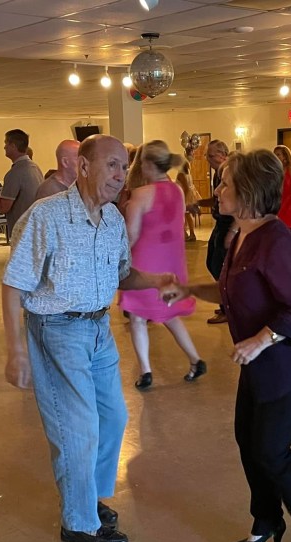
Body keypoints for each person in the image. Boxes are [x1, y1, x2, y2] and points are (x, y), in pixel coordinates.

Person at [165, 149, 291, 542]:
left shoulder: (276, 241)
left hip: (286, 364)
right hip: (259, 362)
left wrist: (260, 340)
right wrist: (189, 290)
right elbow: (232, 289)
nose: (218, 190)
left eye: (225, 184)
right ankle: (266, 520)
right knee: (248, 442)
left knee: (272, 452)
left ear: (248, 191)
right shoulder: (241, 235)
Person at [1, 135, 177, 542]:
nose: (120, 176)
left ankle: (87, 498)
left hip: (99, 329)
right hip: (57, 329)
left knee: (113, 418)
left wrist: (156, 280)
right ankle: (78, 522)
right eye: (112, 165)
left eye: (124, 167)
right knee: (77, 428)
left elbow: (122, 274)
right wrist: (15, 349)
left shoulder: (113, 219)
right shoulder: (47, 216)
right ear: (82, 167)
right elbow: (13, 284)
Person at [121, 140, 206, 390]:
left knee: (137, 316)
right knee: (169, 313)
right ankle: (195, 359)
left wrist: (117, 258)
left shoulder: (141, 194)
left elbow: (131, 234)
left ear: (147, 164)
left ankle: (146, 371)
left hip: (145, 262)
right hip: (171, 260)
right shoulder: (177, 190)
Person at [0, 129, 43, 243]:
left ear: (13, 146)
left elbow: (3, 207)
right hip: (35, 228)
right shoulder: (35, 167)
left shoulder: (15, 173)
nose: (4, 147)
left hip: (23, 232)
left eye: (6, 143)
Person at [200, 139, 233, 324]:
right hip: (220, 223)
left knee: (220, 266)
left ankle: (228, 307)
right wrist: (196, 204)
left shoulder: (230, 172)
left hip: (228, 224)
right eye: (207, 156)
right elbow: (215, 199)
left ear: (223, 155)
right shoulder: (217, 174)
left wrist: (234, 229)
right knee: (212, 263)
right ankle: (225, 302)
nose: (208, 160)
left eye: (211, 156)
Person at [274, 145, 291, 230]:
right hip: (275, 200)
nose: (276, 156)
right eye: (274, 154)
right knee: (275, 226)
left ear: (285, 156)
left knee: (287, 226)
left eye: (278, 154)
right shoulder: (273, 169)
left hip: (287, 200)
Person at [175, 161, 199, 241]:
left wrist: (183, 199)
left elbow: (186, 188)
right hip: (188, 196)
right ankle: (187, 233)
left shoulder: (181, 174)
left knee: (184, 215)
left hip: (185, 196)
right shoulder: (187, 173)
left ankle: (188, 234)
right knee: (186, 215)